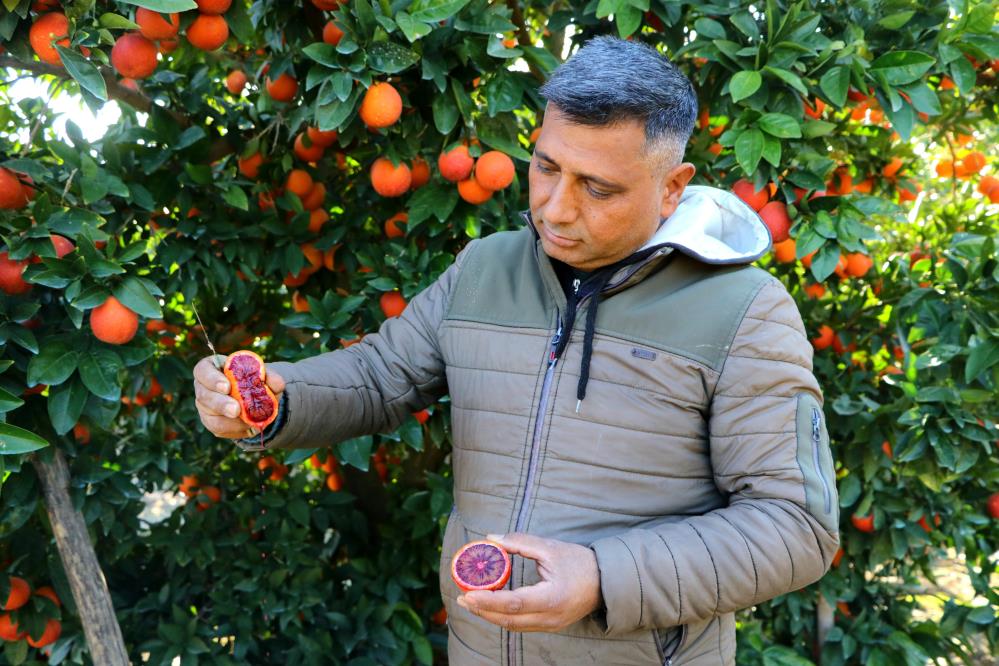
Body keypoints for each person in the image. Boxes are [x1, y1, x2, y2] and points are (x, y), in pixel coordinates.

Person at [194, 36, 839, 666]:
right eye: (546, 168)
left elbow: (795, 527)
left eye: (598, 189)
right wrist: (273, 400)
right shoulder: (485, 268)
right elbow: (380, 374)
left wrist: (602, 578)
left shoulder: (745, 311)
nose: (555, 210)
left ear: (672, 187)